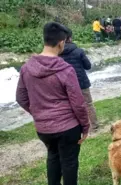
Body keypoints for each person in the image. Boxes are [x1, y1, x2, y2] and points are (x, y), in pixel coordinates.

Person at [16, 22, 89, 185]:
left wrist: (38, 113)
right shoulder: (65, 69)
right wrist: (85, 126)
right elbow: (78, 103)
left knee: (53, 158)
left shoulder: (26, 68)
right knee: (69, 163)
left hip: (44, 129)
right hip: (68, 128)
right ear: (62, 42)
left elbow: (21, 97)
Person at [59, 29, 99, 131]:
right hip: (82, 82)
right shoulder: (79, 51)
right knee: (88, 104)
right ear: (70, 38)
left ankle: (76, 127)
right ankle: (94, 125)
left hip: (66, 85)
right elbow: (88, 66)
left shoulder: (57, 54)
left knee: (71, 106)